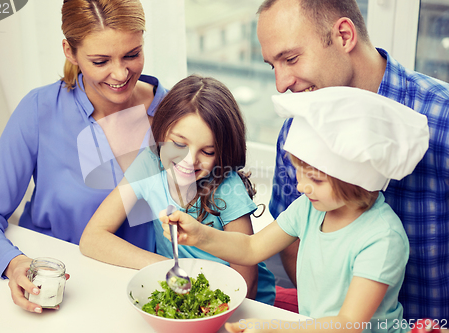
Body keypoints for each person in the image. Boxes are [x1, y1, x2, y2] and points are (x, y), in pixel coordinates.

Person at [161, 87, 430, 333]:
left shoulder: (382, 238)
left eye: (315, 179)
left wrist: (276, 328)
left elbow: (350, 323)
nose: (301, 186)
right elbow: (252, 248)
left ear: (355, 179)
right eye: (299, 173)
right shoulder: (310, 209)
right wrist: (198, 235)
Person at [0, 0, 168, 314]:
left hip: (145, 298)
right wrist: (14, 264)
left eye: (132, 54)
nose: (121, 73)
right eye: (100, 61)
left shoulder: (178, 116)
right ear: (69, 52)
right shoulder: (40, 110)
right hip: (53, 294)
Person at [257, 0, 449, 321]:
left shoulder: (442, 118)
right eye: (272, 66)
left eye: (290, 59)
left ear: (344, 36)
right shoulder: (299, 128)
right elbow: (291, 242)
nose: (281, 84)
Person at [80, 74, 276, 305]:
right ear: (161, 132)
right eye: (180, 144)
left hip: (238, 302)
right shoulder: (148, 164)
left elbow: (247, 285)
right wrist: (166, 268)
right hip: (183, 290)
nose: (189, 160)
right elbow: (92, 238)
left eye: (208, 152)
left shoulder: (226, 184)